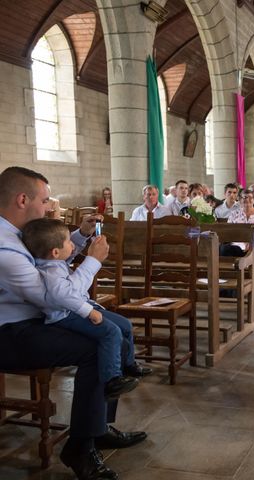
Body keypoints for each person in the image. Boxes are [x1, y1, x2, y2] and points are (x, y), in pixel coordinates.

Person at [0, 166, 147, 480]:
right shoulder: (5, 248)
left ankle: (97, 427)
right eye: (45, 200)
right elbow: (54, 297)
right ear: (23, 199)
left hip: (34, 321)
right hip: (11, 333)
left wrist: (78, 236)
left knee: (114, 337)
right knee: (97, 345)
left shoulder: (15, 233)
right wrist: (93, 260)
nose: (49, 205)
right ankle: (80, 447)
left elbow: (48, 260)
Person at [21, 218, 150, 398]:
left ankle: (129, 365)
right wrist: (88, 311)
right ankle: (112, 380)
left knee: (125, 325)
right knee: (110, 332)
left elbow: (68, 256)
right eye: (68, 242)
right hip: (67, 314)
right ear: (56, 252)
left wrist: (83, 234)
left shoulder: (53, 261)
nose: (72, 245)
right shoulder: (51, 272)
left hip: (76, 306)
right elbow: (64, 295)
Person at [223, 190, 254, 257]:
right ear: (240, 200)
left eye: (250, 197)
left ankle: (251, 265)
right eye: (244, 197)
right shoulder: (234, 214)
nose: (247, 200)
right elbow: (229, 232)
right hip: (237, 245)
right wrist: (242, 242)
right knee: (224, 249)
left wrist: (251, 243)